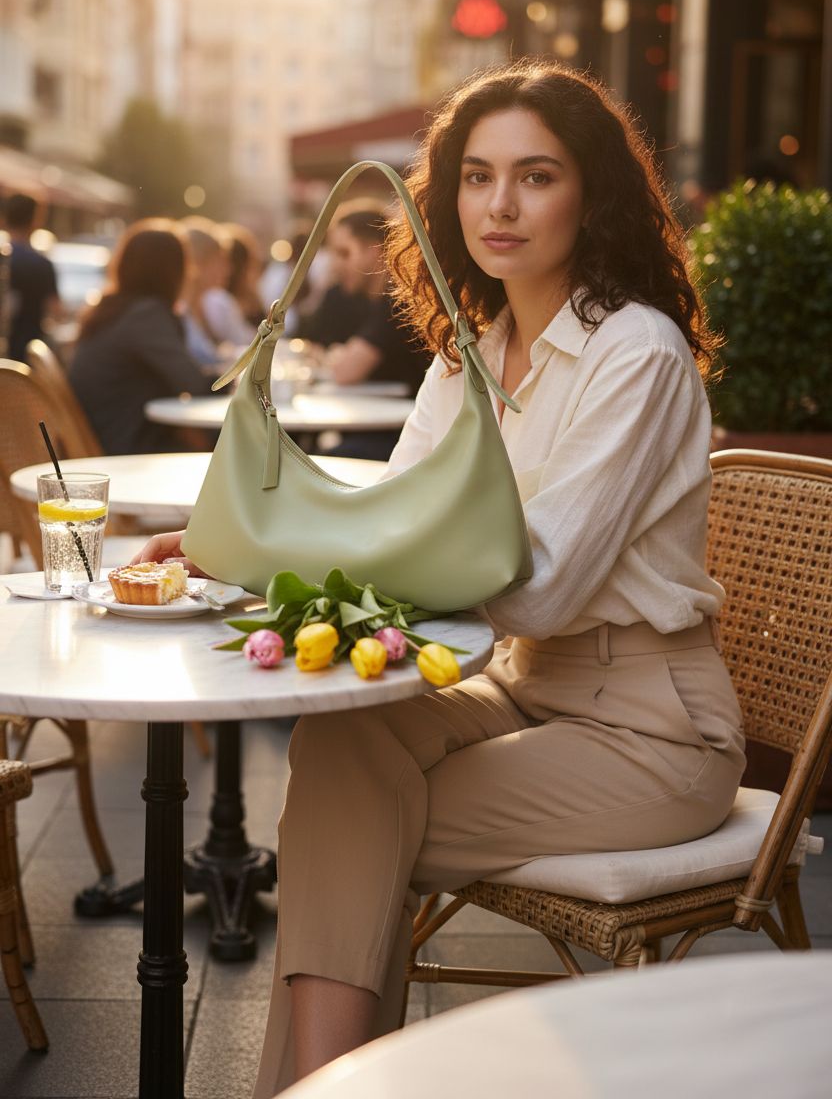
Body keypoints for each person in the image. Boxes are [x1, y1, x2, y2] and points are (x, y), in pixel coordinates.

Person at [134, 58, 746, 1095]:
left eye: (536, 176)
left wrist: (314, 554)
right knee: (342, 740)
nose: (499, 204)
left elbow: (539, 589)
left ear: (591, 192)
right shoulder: (476, 349)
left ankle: (317, 1087)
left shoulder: (631, 352)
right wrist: (223, 550)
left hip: (653, 726)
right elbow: (390, 519)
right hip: (523, 685)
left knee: (350, 822)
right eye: (476, 176)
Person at [69, 220, 213, 454]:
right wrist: (240, 381)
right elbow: (194, 384)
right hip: (126, 448)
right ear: (172, 272)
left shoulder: (114, 309)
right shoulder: (146, 316)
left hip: (105, 437)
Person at [301, 207, 429, 400]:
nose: (335, 265)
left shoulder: (399, 300)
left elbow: (346, 372)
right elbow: (311, 348)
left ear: (373, 251)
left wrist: (338, 355)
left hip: (405, 424)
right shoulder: (361, 299)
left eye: (344, 253)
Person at [180, 218, 254, 366]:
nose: (228, 270)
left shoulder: (208, 304)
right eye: (220, 261)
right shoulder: (180, 311)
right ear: (198, 263)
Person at [2, 192, 63, 363]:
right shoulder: (41, 264)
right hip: (26, 355)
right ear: (36, 220)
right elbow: (56, 311)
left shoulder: (3, 258)